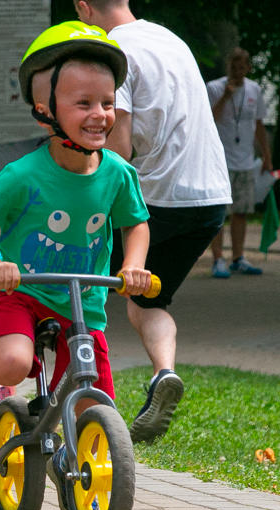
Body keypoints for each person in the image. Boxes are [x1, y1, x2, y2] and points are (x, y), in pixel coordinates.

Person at [0, 22, 153, 510]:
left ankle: (75, 457)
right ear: (46, 112)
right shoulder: (25, 174)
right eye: (83, 104)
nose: (99, 114)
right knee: (14, 361)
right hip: (22, 293)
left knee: (93, 400)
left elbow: (137, 225)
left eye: (107, 101)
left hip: (85, 301)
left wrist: (134, 265)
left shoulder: (119, 173)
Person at [75, 0, 232, 444]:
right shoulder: (168, 39)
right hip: (210, 198)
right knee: (146, 301)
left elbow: (118, 149)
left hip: (157, 199)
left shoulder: (112, 52)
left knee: (78, 286)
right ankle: (164, 372)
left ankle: (80, 392)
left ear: (84, 7)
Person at [206, 47, 274, 278]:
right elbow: (207, 120)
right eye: (234, 66)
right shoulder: (215, 87)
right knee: (219, 213)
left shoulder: (254, 89)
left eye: (242, 66)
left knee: (242, 211)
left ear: (248, 67)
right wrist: (226, 95)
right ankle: (218, 259)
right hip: (219, 160)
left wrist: (267, 156)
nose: (238, 70)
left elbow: (259, 125)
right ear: (229, 66)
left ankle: (238, 258)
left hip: (245, 160)